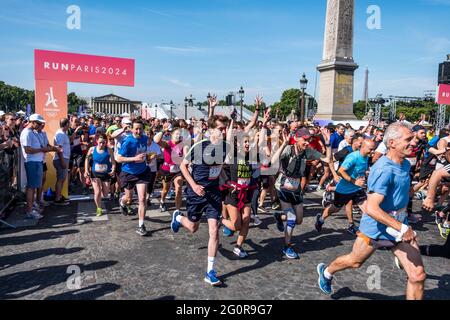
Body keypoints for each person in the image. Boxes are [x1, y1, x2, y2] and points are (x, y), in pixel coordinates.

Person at [317, 122, 426, 300]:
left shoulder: (405, 164)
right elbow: (372, 208)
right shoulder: (383, 169)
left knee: (417, 276)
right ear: (392, 143)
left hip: (398, 226)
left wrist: (423, 193)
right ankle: (327, 272)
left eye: (413, 138)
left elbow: (402, 192)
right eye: (408, 139)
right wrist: (403, 228)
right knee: (355, 261)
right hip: (377, 227)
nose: (414, 142)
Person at [171, 114, 229, 286]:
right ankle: (179, 218)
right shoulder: (199, 146)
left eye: (224, 129)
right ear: (211, 130)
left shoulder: (225, 147)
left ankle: (210, 271)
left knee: (214, 230)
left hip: (213, 193)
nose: (223, 132)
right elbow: (182, 166)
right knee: (193, 227)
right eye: (220, 129)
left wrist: (227, 181)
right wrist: (194, 185)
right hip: (196, 193)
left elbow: (219, 168)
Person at [273, 128, 331, 259]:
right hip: (283, 186)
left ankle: (280, 217)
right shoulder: (289, 149)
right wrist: (284, 143)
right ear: (297, 138)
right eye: (305, 140)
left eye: (309, 140)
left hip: (297, 189)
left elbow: (327, 159)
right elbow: (272, 160)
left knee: (299, 220)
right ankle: (287, 246)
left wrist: (327, 143)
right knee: (292, 219)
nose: (307, 143)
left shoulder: (308, 152)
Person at [20, 114, 60, 219]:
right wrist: (43, 150)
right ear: (32, 122)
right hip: (32, 162)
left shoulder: (32, 132)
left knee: (33, 187)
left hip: (37, 161)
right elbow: (28, 150)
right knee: (31, 187)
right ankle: (29, 210)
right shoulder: (26, 133)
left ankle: (32, 207)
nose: (40, 125)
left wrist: (51, 148)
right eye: (38, 123)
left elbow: (42, 146)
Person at [116, 120, 151, 236]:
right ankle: (122, 202)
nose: (138, 131)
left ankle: (141, 225)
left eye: (140, 128)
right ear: (131, 129)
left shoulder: (145, 138)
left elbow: (145, 152)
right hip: (128, 173)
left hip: (142, 172)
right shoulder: (127, 141)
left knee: (142, 199)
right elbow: (118, 158)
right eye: (136, 129)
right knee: (129, 198)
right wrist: (134, 158)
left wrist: (149, 157)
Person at [154, 128, 185, 215]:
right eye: (176, 134)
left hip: (178, 170)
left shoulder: (182, 144)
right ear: (172, 135)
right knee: (165, 190)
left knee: (178, 189)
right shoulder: (168, 144)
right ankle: (162, 201)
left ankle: (178, 210)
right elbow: (156, 140)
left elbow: (195, 140)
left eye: (180, 134)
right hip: (167, 170)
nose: (178, 136)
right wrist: (163, 131)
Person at [85, 134, 116, 216]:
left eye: (103, 143)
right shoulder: (92, 149)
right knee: (97, 192)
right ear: (96, 142)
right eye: (100, 143)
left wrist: (113, 170)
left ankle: (99, 195)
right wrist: (86, 170)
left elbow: (113, 161)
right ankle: (99, 208)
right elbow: (86, 159)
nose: (102, 144)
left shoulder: (109, 150)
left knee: (105, 194)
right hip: (95, 173)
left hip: (106, 174)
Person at [53, 118, 71, 206]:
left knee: (62, 179)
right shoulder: (60, 134)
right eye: (69, 123)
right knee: (60, 179)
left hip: (63, 158)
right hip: (61, 159)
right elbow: (59, 149)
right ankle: (57, 198)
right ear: (66, 124)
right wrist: (62, 161)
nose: (70, 125)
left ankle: (59, 196)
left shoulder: (63, 133)